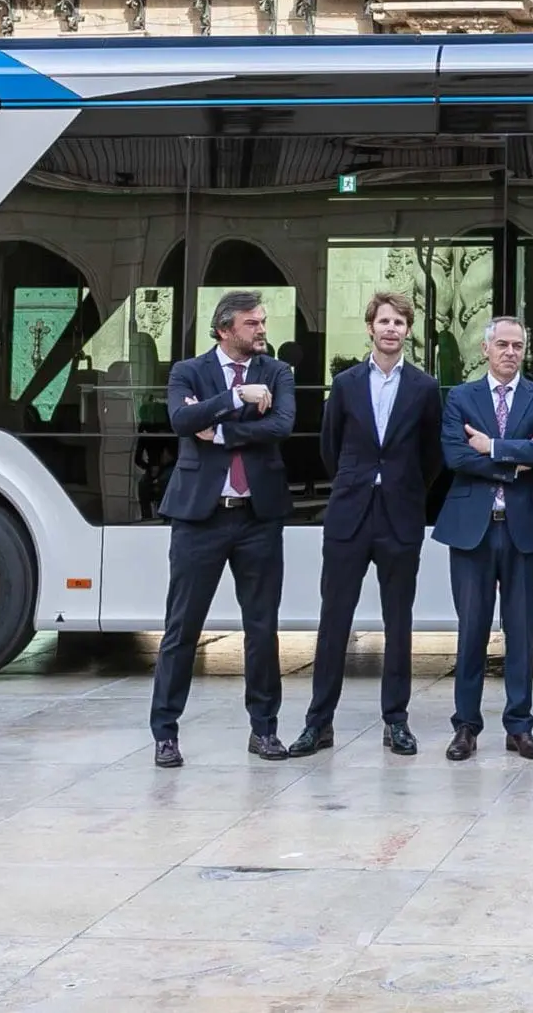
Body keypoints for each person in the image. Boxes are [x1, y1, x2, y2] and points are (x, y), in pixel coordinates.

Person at [292, 290, 442, 759]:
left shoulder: (424, 387)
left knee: (399, 622)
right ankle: (318, 723)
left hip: (400, 516)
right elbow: (330, 446)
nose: (391, 329)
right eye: (384, 321)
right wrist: (356, 481)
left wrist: (404, 487)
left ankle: (396, 721)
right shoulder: (346, 383)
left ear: (408, 330)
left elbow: (432, 455)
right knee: (334, 620)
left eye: (399, 322)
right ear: (370, 328)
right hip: (349, 514)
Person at [150, 289, 297, 768]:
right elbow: (181, 419)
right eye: (252, 323)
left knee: (262, 628)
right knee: (182, 628)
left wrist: (221, 430)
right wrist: (236, 397)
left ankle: (265, 729)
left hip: (258, 517)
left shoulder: (276, 371)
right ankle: (165, 734)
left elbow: (282, 425)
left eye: (262, 321)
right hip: (200, 518)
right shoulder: (188, 371)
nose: (262, 330)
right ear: (224, 329)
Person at [435, 315, 533, 761]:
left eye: (518, 346)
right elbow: (455, 456)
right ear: (485, 349)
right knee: (471, 630)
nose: (511, 352)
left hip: (525, 530)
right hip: (472, 530)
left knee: (521, 632)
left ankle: (519, 727)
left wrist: (491, 447)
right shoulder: (461, 397)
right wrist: (517, 462)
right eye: (503, 345)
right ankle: (465, 726)